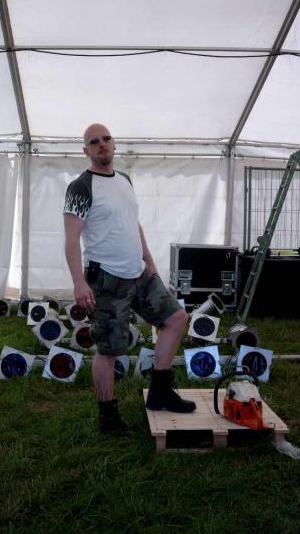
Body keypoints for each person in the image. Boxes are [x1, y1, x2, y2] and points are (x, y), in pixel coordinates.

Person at [63, 123, 196, 436]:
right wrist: (79, 283)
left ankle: (160, 392)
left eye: (106, 139)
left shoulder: (124, 179)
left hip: (139, 272)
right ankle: (108, 417)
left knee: (176, 318)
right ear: (86, 150)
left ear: (114, 143)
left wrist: (149, 260)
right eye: (94, 142)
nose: (101, 144)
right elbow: (71, 240)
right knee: (110, 350)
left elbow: (133, 223)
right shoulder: (81, 187)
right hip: (106, 278)